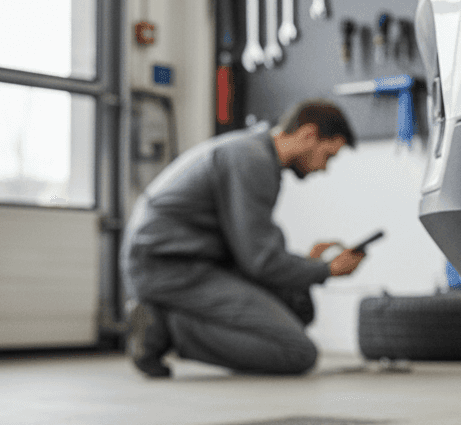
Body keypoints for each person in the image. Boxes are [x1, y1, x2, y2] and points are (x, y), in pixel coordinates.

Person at [121, 99, 364, 377]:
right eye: (328, 156)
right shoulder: (252, 159)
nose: (324, 168)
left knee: (296, 303)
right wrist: (327, 269)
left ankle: (169, 322)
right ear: (308, 135)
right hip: (169, 268)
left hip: (187, 262)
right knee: (299, 353)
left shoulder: (254, 153)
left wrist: (309, 264)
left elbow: (253, 248)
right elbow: (259, 262)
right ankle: (164, 327)